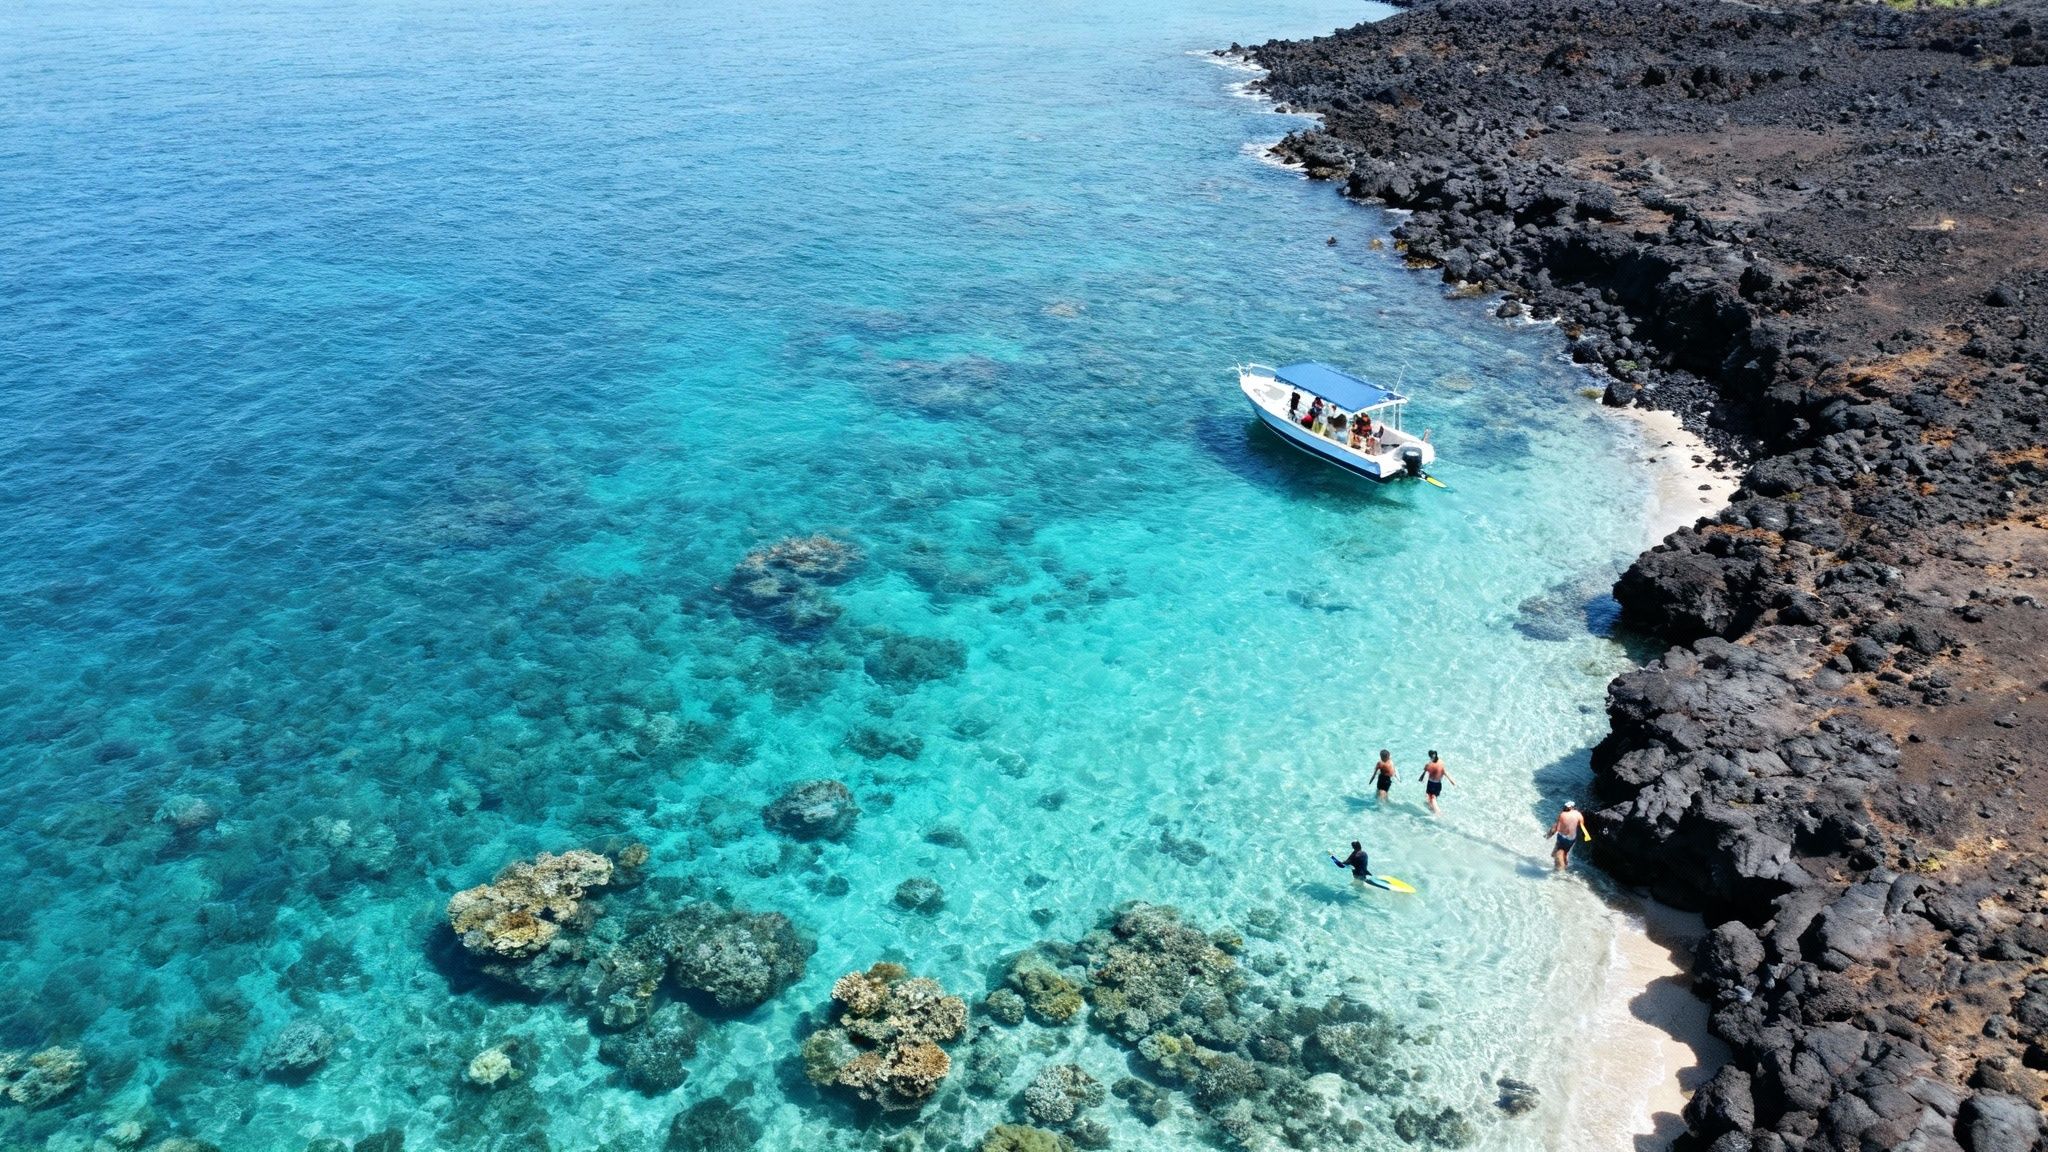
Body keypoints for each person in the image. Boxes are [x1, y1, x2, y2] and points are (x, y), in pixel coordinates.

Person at [1550, 801, 1587, 871]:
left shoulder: (1563, 814)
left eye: (1567, 807)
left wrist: (1548, 835)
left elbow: (1555, 827)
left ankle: (1560, 871)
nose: (1565, 808)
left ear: (1572, 808)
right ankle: (1564, 866)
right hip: (1571, 839)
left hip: (1564, 838)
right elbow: (1581, 826)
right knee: (1562, 853)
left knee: (1558, 853)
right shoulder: (1579, 815)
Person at [1418, 750, 1457, 815]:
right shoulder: (1441, 762)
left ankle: (1438, 812)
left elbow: (1425, 770)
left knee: (1432, 797)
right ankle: (1433, 809)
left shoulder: (1429, 764)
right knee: (1432, 797)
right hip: (1438, 784)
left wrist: (1423, 777)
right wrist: (1451, 780)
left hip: (1431, 783)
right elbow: (1444, 772)